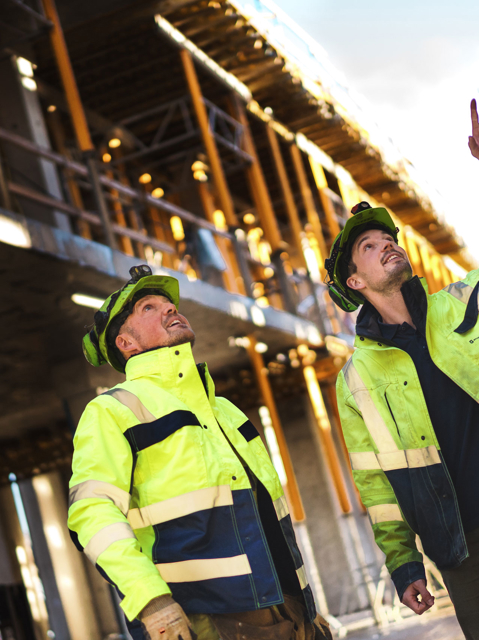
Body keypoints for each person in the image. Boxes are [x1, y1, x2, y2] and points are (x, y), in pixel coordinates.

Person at [68, 264, 330, 640]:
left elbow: (267, 517)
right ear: (127, 344)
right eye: (148, 308)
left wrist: (307, 610)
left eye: (169, 304)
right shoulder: (111, 411)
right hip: (202, 621)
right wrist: (151, 602)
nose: (170, 309)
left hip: (287, 611)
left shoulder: (224, 411)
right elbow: (91, 513)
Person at [326, 99, 479, 638]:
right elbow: (374, 479)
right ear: (356, 283)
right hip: (460, 545)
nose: (387, 243)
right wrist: (403, 562)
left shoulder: (460, 304)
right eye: (370, 246)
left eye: (388, 238)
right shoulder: (354, 380)